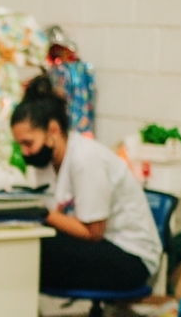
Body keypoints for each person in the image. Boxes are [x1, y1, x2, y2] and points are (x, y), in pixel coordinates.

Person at [11, 77, 162, 292]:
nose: (25, 152)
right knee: (20, 245)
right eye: (20, 145)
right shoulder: (46, 161)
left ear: (53, 131)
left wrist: (40, 213)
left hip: (130, 257)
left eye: (28, 143)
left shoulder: (86, 159)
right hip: (100, 247)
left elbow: (93, 232)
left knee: (31, 252)